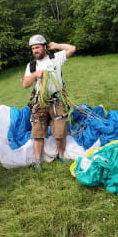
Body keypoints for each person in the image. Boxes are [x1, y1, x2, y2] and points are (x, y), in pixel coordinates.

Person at [23, 34, 76, 169]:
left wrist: (56, 45)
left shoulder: (55, 58)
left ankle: (62, 155)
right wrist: (35, 75)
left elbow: (72, 48)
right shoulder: (32, 65)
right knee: (37, 133)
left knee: (59, 131)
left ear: (44, 47)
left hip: (57, 101)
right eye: (33, 48)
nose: (35, 50)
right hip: (40, 102)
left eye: (38, 47)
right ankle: (37, 161)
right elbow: (25, 84)